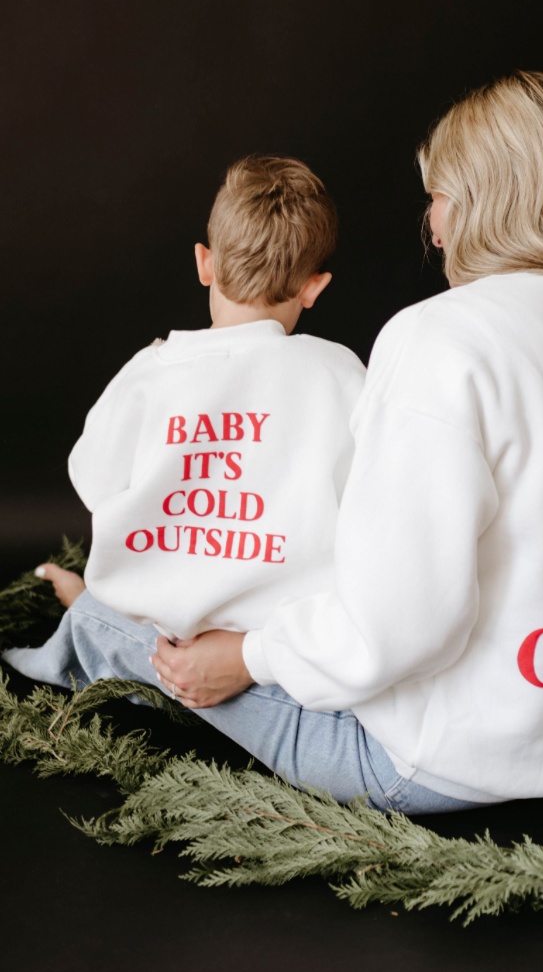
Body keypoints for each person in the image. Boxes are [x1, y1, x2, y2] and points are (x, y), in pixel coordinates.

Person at [6, 72, 543, 815]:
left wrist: (246, 657)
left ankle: (87, 619)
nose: (434, 227)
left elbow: (403, 621)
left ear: (483, 199)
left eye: (436, 198)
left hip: (439, 761)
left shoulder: (442, 338)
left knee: (112, 622)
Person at [7, 154, 365, 667]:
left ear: (205, 262)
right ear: (314, 286)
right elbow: (368, 500)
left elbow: (92, 478)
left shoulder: (150, 372)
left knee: (99, 629)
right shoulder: (340, 375)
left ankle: (86, 621)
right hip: (272, 654)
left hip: (150, 643)